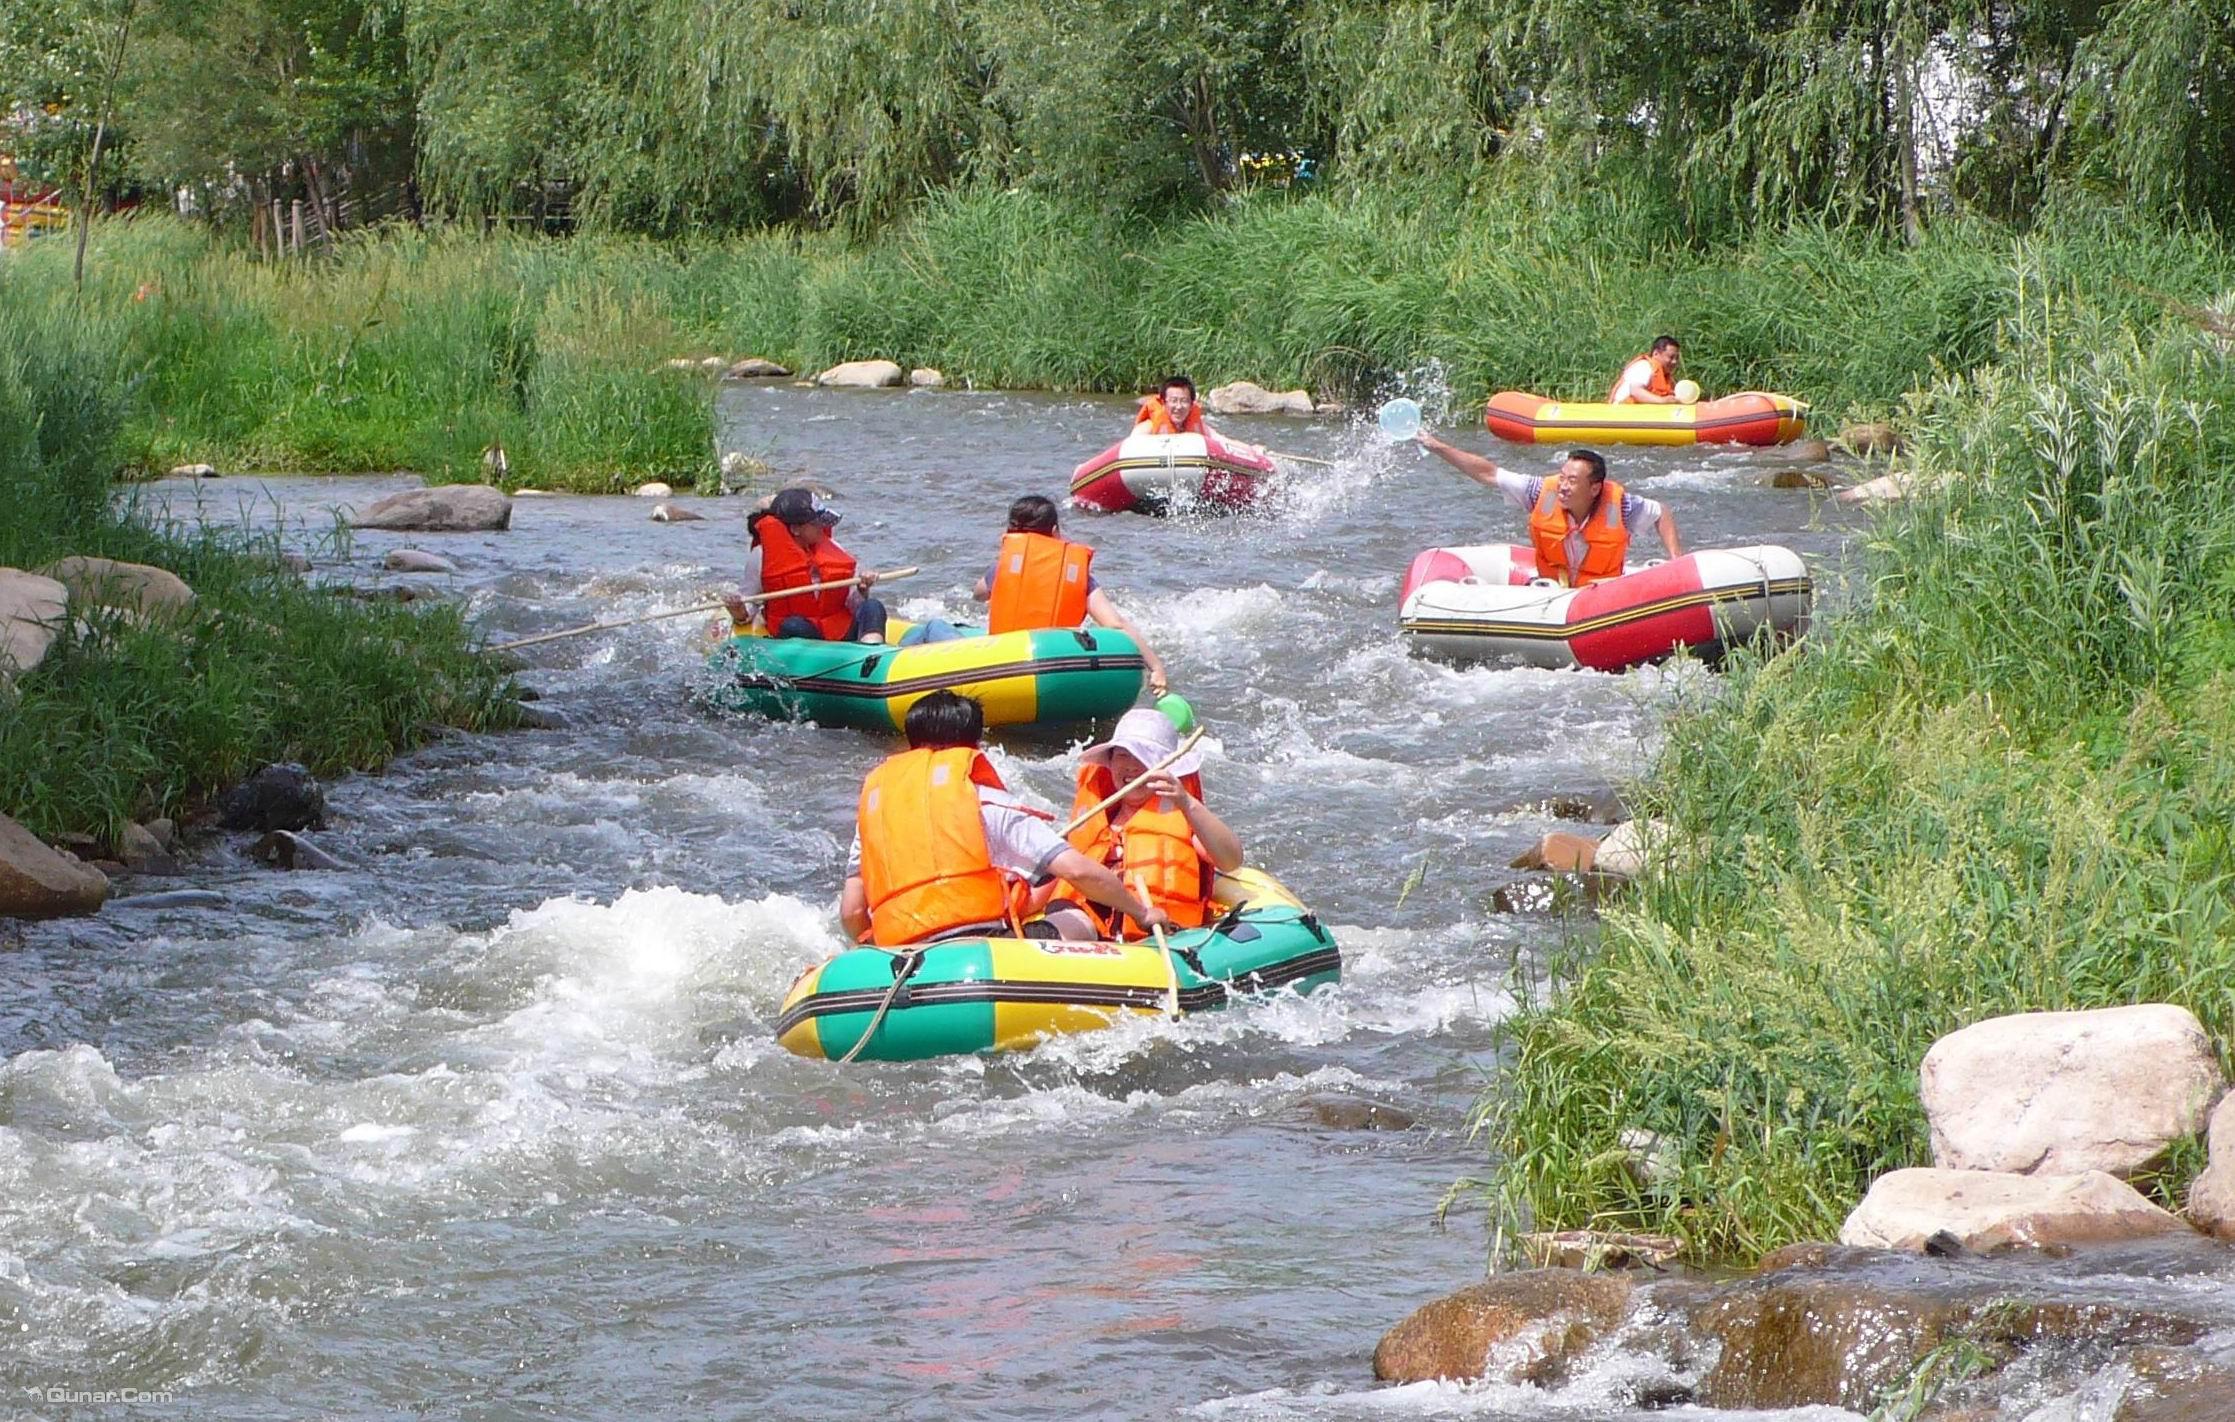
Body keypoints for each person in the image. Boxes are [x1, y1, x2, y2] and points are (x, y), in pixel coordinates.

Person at [840, 691, 1173, 946]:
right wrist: (1142, 913)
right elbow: (1078, 871)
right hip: (982, 952)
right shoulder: (989, 803)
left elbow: (852, 912)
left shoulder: (874, 812)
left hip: (901, 955)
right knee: (1075, 918)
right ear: (974, 746)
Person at [1049, 706, 1242, 940]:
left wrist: (1187, 802)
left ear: (1166, 769)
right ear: (1109, 762)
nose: (1131, 766)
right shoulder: (1094, 819)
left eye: (1143, 757)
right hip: (1090, 930)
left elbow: (1230, 860)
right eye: (1122, 755)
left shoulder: (1182, 818)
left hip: (1156, 935)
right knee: (1062, 922)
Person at [1415, 432, 1683, 587]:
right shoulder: (1539, 491)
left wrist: (1675, 559)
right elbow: (1488, 473)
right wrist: (1438, 446)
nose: (1563, 486)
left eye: (1573, 481)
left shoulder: (1621, 505)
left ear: (1594, 488)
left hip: (1601, 595)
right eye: (1563, 477)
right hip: (1552, 593)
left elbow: (1661, 513)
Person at [972, 495, 1172, 696]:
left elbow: (978, 594)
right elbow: (1115, 624)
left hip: (1005, 668)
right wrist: (1156, 668)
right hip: (1058, 671)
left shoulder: (1003, 568)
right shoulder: (1075, 572)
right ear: (1054, 531)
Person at [725, 487, 960, 645]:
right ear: (795, 528)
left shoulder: (831, 548)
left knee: (873, 607)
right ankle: (836, 665)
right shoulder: (761, 556)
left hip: (839, 630)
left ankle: (871, 656)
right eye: (815, 523)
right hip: (805, 639)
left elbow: (852, 602)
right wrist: (737, 610)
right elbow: (749, 609)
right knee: (793, 624)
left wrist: (863, 589)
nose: (822, 528)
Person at [1609, 336, 1682, 405]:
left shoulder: (1666, 377)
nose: (1674, 361)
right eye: (1671, 357)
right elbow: (1635, 391)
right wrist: (1662, 400)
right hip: (1622, 412)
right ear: (1656, 354)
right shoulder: (1644, 366)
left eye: (1677, 358)